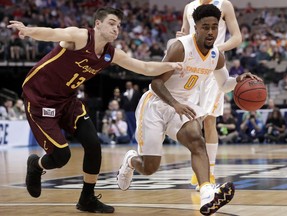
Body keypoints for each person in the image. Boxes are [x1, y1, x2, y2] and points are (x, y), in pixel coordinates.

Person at [7, 7, 181, 214]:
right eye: (112, 23)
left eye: (119, 25)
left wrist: (172, 65)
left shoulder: (111, 54)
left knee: (93, 145)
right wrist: (28, 30)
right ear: (97, 24)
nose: (116, 28)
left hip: (67, 100)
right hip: (40, 97)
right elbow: (52, 33)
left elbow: (143, 67)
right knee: (61, 156)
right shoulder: (80, 37)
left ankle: (87, 198)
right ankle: (37, 165)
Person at [117, 4, 259, 215]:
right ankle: (130, 160)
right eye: (206, 27)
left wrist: (238, 80)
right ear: (196, 27)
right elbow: (156, 84)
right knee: (149, 167)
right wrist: (174, 104)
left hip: (182, 106)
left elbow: (224, 84)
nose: (211, 32)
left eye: (214, 27)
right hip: (156, 105)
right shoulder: (180, 47)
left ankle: (207, 193)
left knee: (197, 141)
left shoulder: (217, 56)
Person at [176, 0, 242, 188]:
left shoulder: (224, 5)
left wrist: (216, 49)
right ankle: (199, 169)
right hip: (190, 68)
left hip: (213, 66)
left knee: (210, 119)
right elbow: (183, 33)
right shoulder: (189, 7)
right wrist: (180, 38)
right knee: (191, 120)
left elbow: (237, 37)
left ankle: (209, 173)